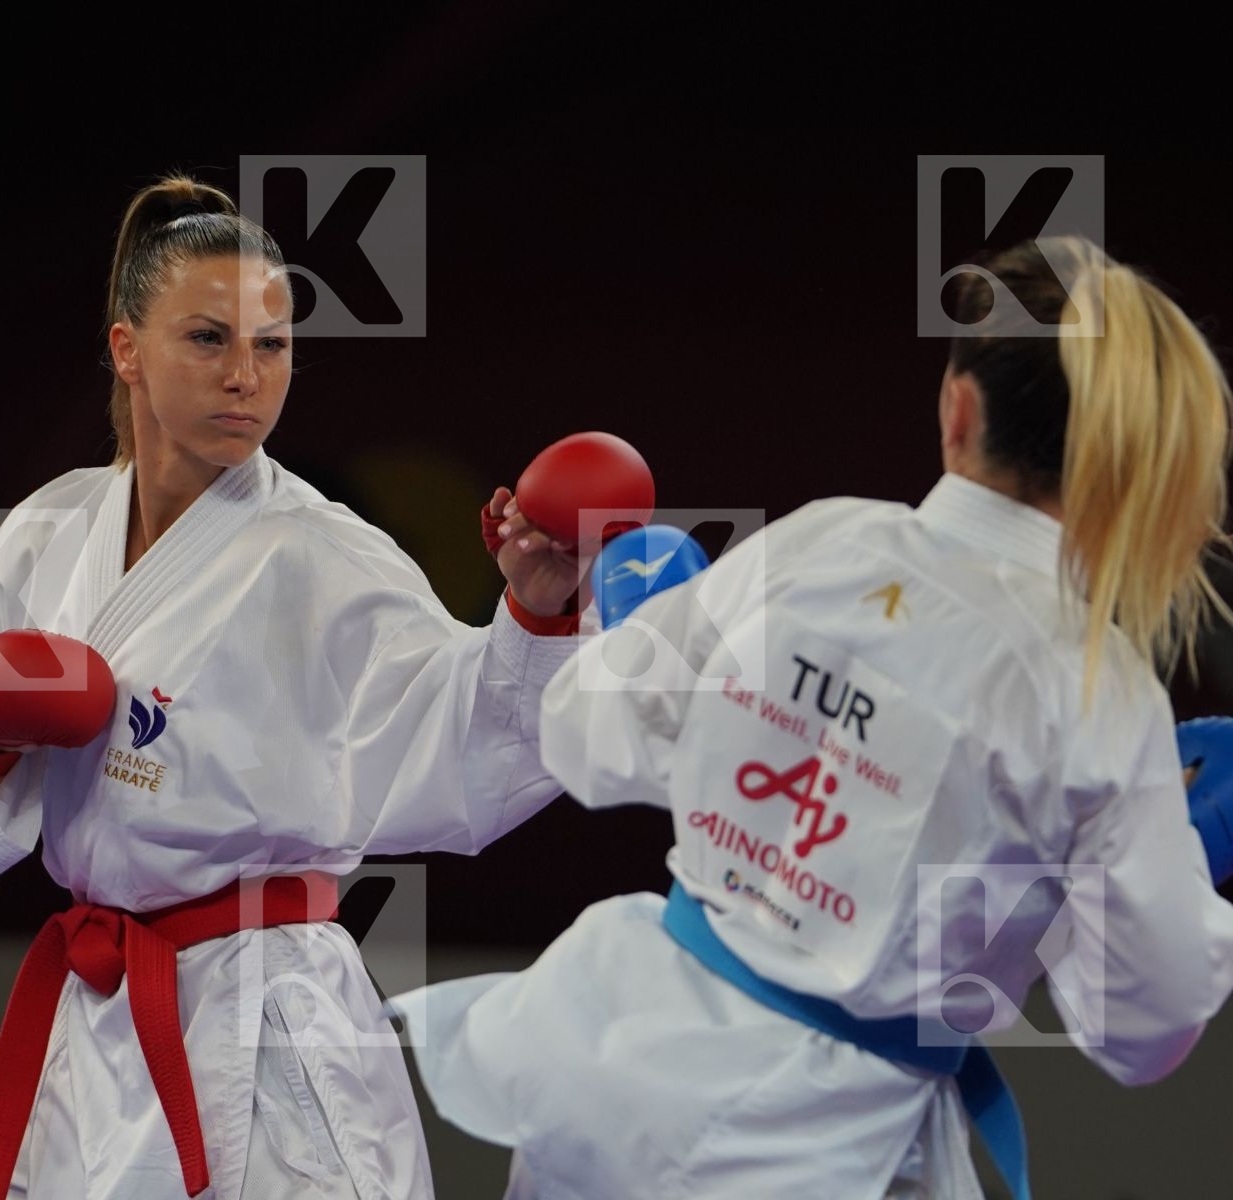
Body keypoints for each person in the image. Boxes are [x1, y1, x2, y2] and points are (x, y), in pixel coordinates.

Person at [388, 235, 1233, 1199]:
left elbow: (584, 735)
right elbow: (1143, 1032)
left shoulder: (824, 542)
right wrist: (1178, 876)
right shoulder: (1099, 691)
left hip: (614, 1075)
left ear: (959, 411)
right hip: (830, 1153)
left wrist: (634, 627)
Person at [0, 173, 593, 1200]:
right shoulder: (40, 541)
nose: (246, 377)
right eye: (208, 339)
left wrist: (534, 614)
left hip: (270, 1031)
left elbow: (463, 742)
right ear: (127, 348)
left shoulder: (323, 555)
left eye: (273, 345)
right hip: (97, 1017)